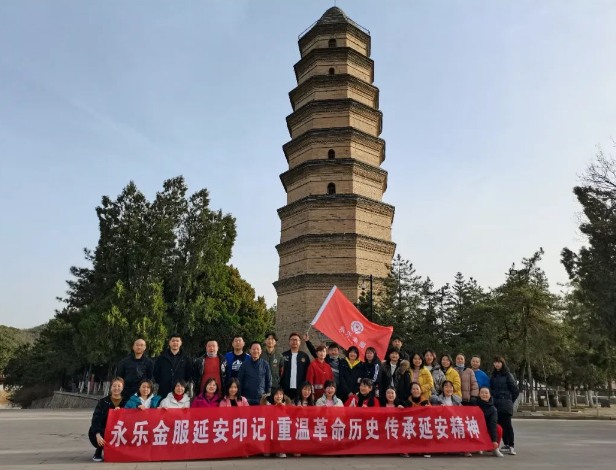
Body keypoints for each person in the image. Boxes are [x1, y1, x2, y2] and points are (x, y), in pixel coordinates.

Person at [88, 377, 127, 462]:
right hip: (104, 429)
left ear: (122, 388)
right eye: (114, 386)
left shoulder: (126, 402)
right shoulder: (103, 402)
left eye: (119, 386)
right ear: (111, 387)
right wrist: (97, 434)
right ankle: (98, 452)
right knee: (103, 432)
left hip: (120, 430)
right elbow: (96, 418)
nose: (116, 388)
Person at [491, 356, 519, 455]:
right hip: (495, 403)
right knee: (499, 425)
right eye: (495, 362)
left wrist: (510, 400)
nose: (497, 364)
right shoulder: (493, 375)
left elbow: (515, 390)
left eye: (499, 362)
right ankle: (506, 444)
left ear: (503, 363)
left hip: (506, 403)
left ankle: (511, 445)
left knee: (507, 425)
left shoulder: (508, 375)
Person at [153, 333, 192, 399]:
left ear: (181, 343)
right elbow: (156, 372)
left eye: (177, 341)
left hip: (180, 389)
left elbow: (188, 373)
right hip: (164, 389)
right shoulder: (162, 357)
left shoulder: (186, 358)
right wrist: (163, 381)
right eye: (173, 341)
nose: (175, 343)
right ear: (169, 342)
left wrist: (182, 383)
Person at [471, 387, 504, 457]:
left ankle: (495, 449)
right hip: (475, 427)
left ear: (490, 395)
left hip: (487, 427)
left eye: (486, 393)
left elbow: (493, 424)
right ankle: (477, 447)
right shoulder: (474, 403)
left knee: (498, 428)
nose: (484, 394)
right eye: (482, 393)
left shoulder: (493, 409)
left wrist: (494, 440)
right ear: (479, 394)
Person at [237, 341, 271, 405]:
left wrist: (267, 395)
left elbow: (268, 381)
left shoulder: (265, 364)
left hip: (261, 398)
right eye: (253, 349)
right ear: (250, 351)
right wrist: (239, 396)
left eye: (258, 349)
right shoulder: (244, 365)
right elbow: (240, 381)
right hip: (247, 398)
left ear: (261, 351)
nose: (255, 351)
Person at [260, 387, 290, 458]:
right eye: (276, 394)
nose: (279, 396)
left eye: (281, 394)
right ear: (273, 395)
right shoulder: (267, 404)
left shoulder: (286, 404)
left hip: (281, 426)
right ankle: (267, 449)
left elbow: (288, 417)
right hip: (270, 426)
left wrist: (281, 408)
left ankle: (281, 450)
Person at [280, 332, 310, 400]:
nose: (294, 341)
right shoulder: (283, 355)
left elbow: (308, 372)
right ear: (289, 341)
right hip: (286, 388)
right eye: (292, 339)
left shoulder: (304, 356)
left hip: (300, 388)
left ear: (300, 342)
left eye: (296, 340)